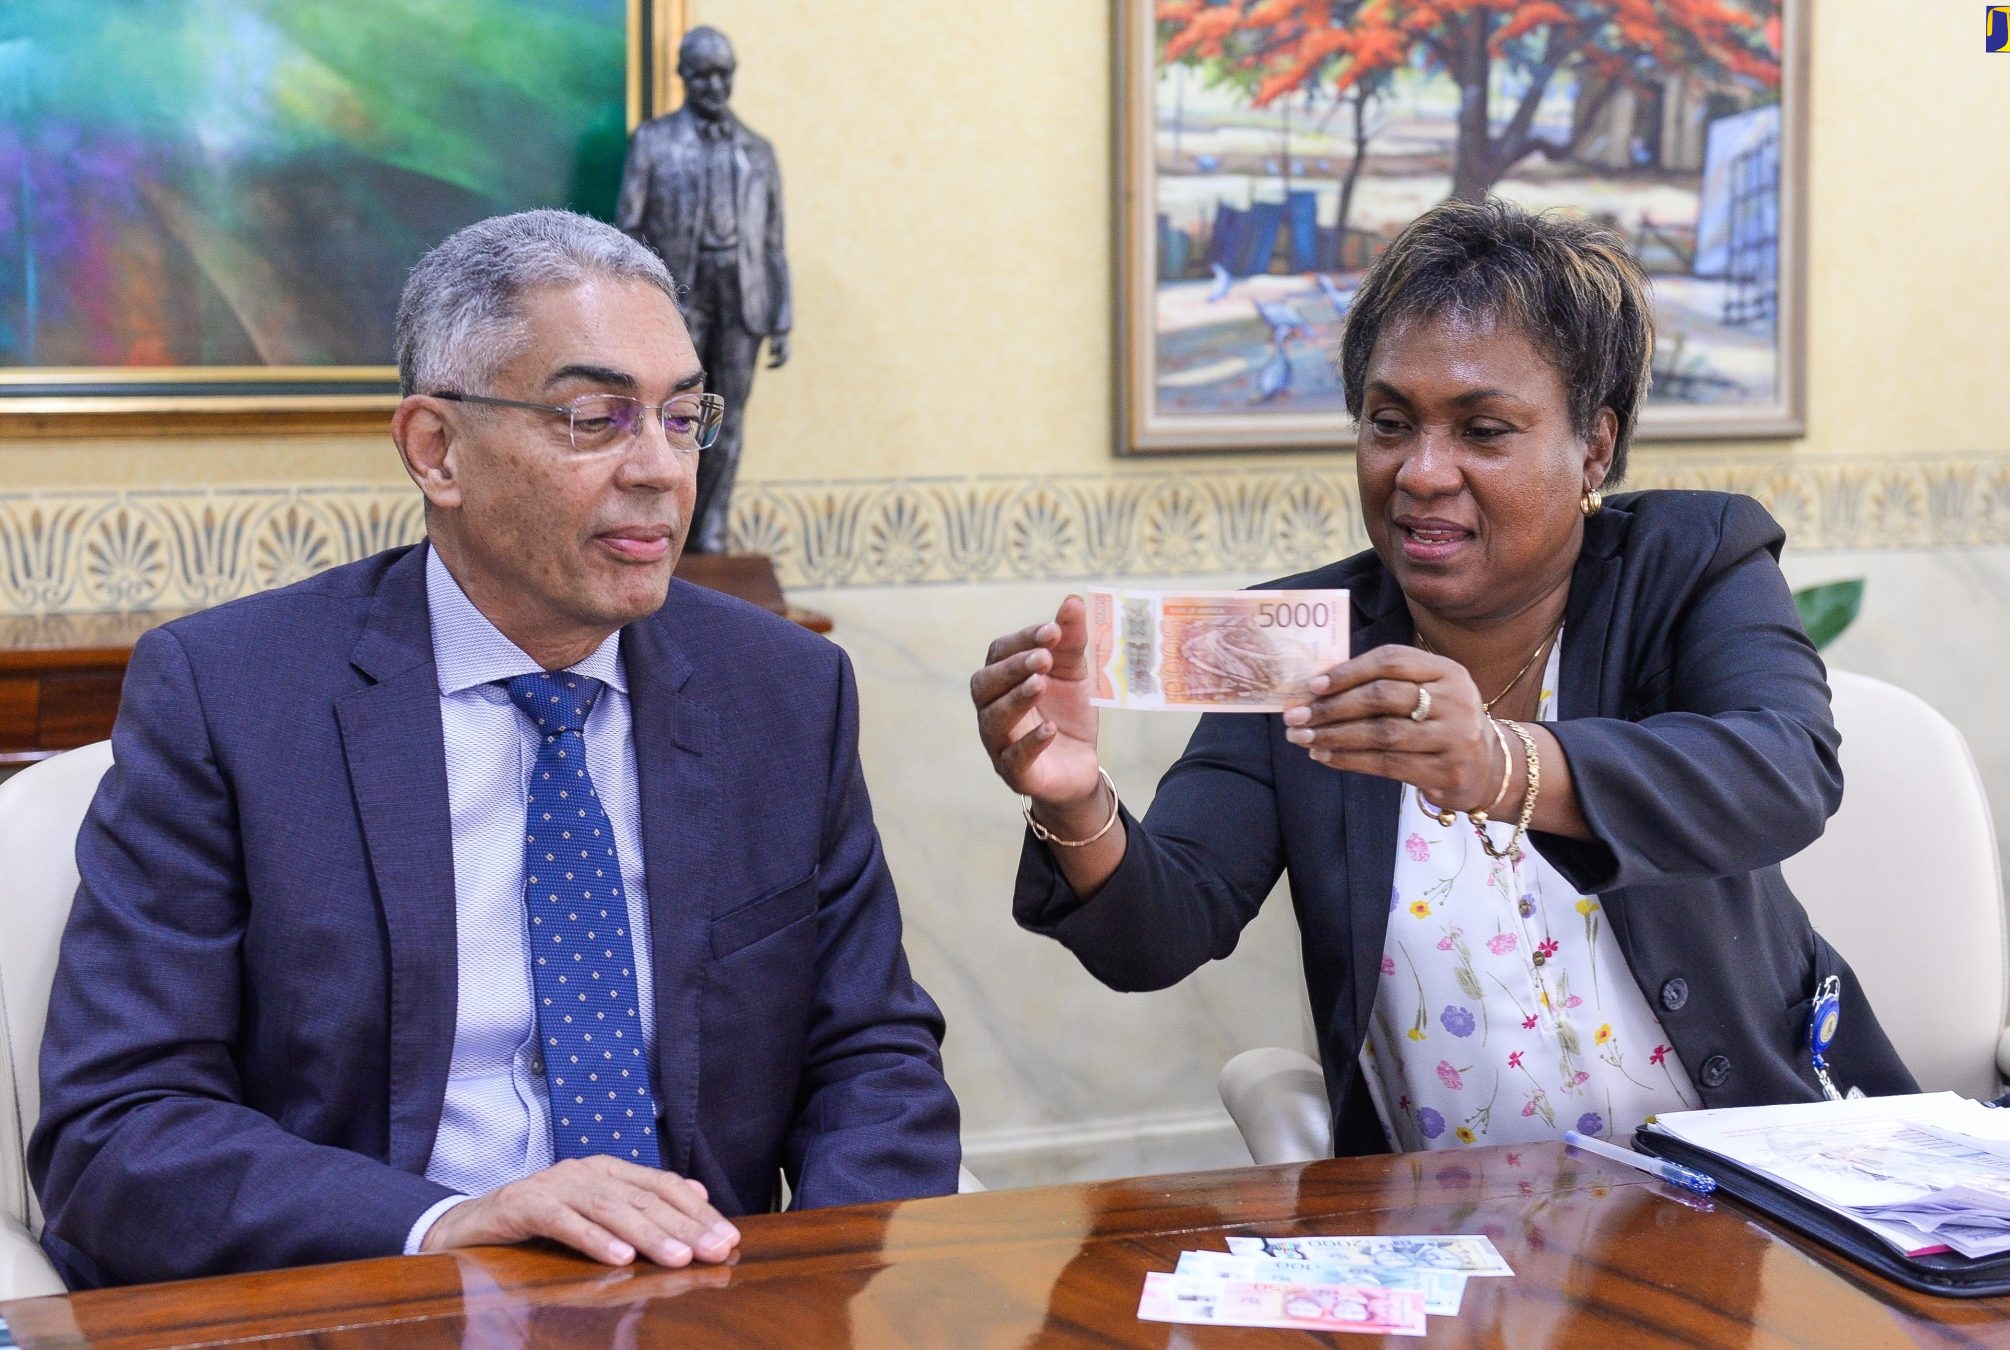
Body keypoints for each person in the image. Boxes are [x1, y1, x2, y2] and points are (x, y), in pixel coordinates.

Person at [31, 210, 957, 1289]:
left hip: (696, 1301)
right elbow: (121, 1131)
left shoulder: (781, 693)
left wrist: (805, 1292)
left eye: (679, 414)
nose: (658, 468)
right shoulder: (232, 698)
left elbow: (872, 1063)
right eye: (594, 418)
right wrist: (450, 1223)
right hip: (371, 1292)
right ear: (438, 450)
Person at [969, 198, 1913, 1160]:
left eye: (1485, 430)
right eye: (1390, 423)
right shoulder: (1305, 642)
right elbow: (1159, 935)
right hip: (1446, 1233)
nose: (1421, 472)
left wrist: (1503, 764)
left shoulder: (1692, 560)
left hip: (1753, 1186)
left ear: (1593, 445)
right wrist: (1076, 802)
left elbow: (1784, 767)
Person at [616, 26, 791, 554]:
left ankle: (711, 532)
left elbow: (773, 238)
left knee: (729, 416)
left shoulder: (759, 151)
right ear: (685, 77)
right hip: (679, 295)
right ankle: (672, 528)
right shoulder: (654, 141)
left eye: (724, 74)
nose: (716, 85)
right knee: (673, 415)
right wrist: (630, 304)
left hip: (745, 296)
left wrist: (781, 315)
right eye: (704, 74)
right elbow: (627, 228)